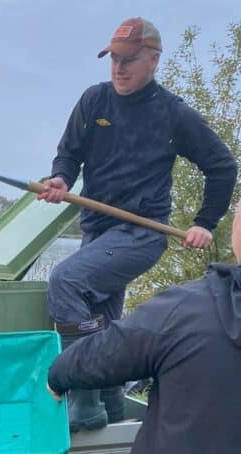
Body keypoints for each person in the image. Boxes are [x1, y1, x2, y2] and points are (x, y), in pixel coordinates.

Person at [37, 17, 237, 431]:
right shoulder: (95, 101)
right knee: (100, 320)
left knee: (66, 282)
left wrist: (204, 222)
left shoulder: (172, 114)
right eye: (113, 60)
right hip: (96, 231)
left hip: (142, 233)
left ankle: (85, 399)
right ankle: (109, 413)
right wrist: (60, 179)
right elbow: (69, 154)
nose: (118, 69)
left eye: (128, 60)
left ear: (153, 60)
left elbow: (222, 165)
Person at [47, 201, 241, 453]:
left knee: (64, 278)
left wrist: (58, 374)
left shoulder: (182, 310)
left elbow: (101, 355)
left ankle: (87, 405)